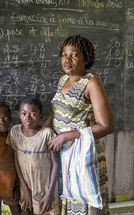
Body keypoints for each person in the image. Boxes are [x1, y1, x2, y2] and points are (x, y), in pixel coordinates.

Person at [44, 35, 114, 214]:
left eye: (73, 55)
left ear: (86, 58)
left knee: (87, 204)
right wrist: (44, 129)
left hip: (84, 156)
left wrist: (67, 136)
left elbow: (106, 125)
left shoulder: (91, 83)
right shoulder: (62, 80)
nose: (67, 59)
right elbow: (59, 113)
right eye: (64, 55)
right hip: (65, 156)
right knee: (71, 203)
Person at [7, 98, 60, 215]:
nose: (28, 117)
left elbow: (56, 164)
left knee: (45, 211)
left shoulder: (47, 133)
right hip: (25, 184)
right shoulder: (15, 132)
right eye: (24, 113)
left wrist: (50, 194)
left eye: (33, 114)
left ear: (41, 116)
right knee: (26, 210)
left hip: (45, 186)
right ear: (19, 115)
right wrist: (25, 189)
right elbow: (16, 160)